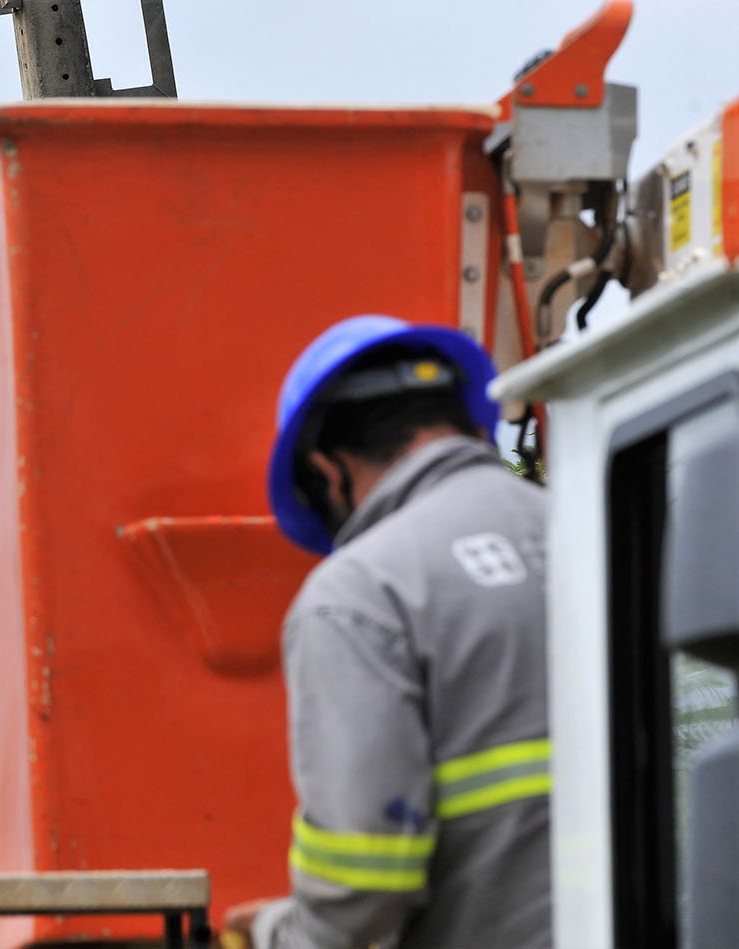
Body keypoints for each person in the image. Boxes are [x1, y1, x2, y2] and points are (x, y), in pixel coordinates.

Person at [243, 315, 549, 948]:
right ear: (467, 423)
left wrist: (277, 934)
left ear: (329, 474)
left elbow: (362, 891)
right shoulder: (601, 518)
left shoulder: (360, 593)